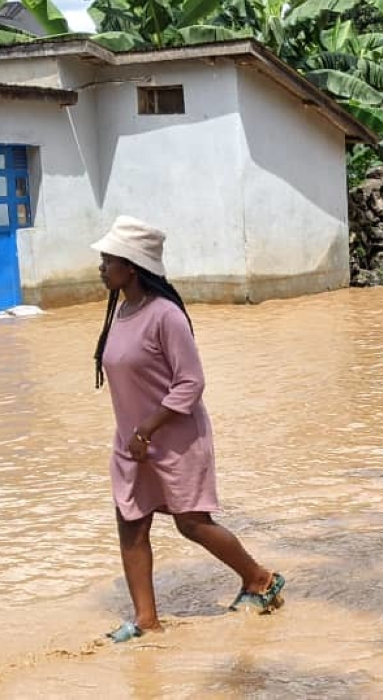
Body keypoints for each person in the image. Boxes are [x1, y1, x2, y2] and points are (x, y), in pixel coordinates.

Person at [92, 216, 285, 643]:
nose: (101, 267)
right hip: (132, 442)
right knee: (131, 521)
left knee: (192, 523)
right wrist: (134, 435)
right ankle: (146, 620)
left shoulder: (166, 316)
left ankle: (259, 578)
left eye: (108, 259)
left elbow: (191, 382)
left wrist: (149, 428)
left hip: (174, 437)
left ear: (132, 266)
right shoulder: (122, 311)